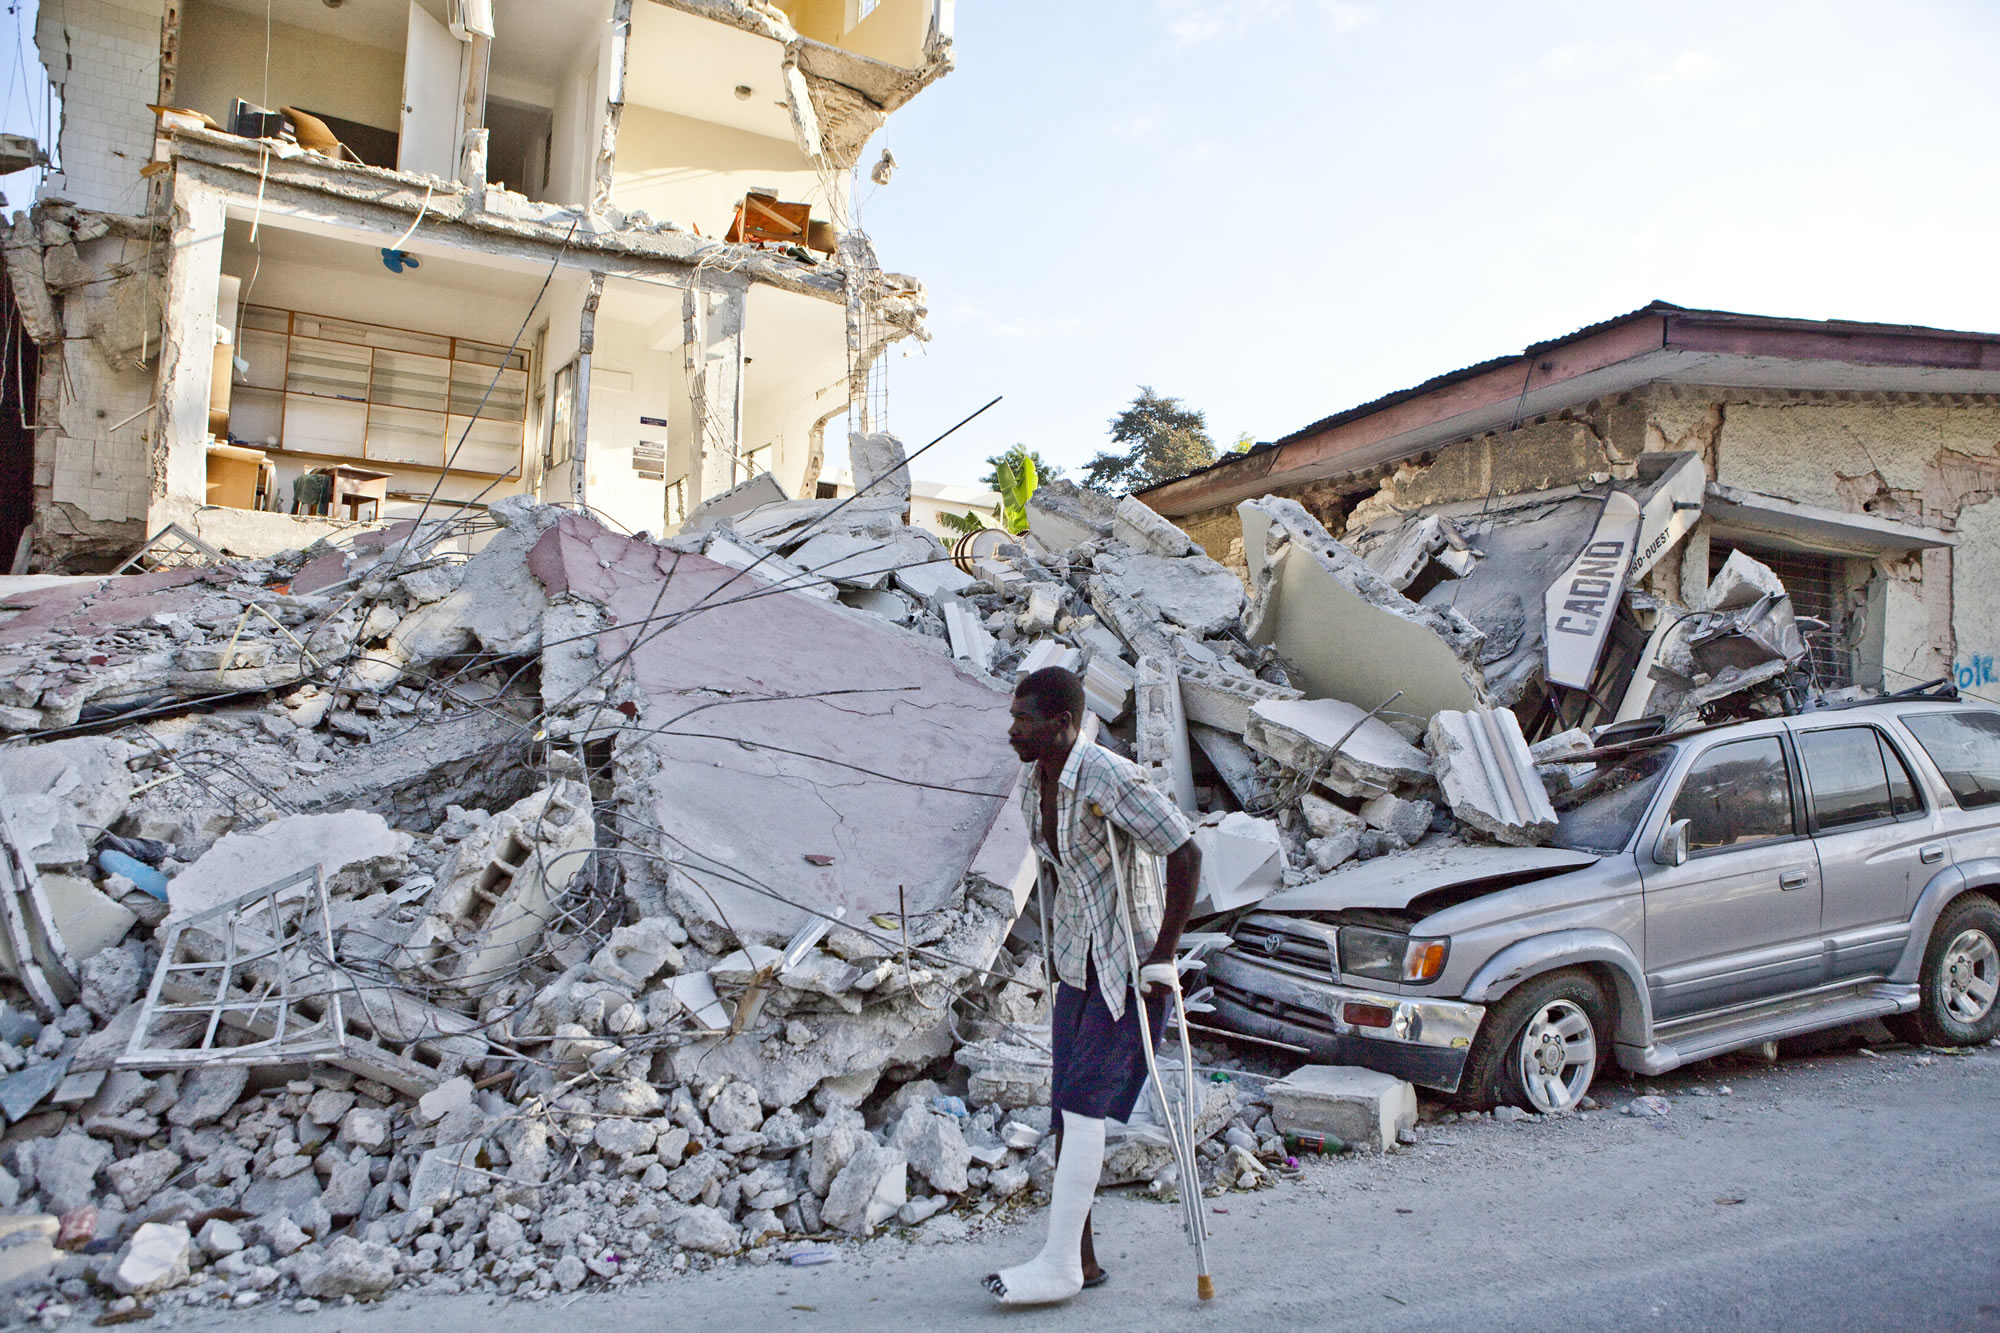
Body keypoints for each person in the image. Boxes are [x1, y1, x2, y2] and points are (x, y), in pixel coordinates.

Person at [984, 666, 1201, 1306]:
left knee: (1083, 1110)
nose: (1012, 730)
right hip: (1078, 961)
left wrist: (1164, 953)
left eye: (1023, 719)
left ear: (1062, 724)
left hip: (1129, 968)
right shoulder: (1034, 778)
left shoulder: (1108, 776)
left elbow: (1184, 851)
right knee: (1064, 1111)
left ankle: (1059, 1267)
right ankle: (1080, 1256)